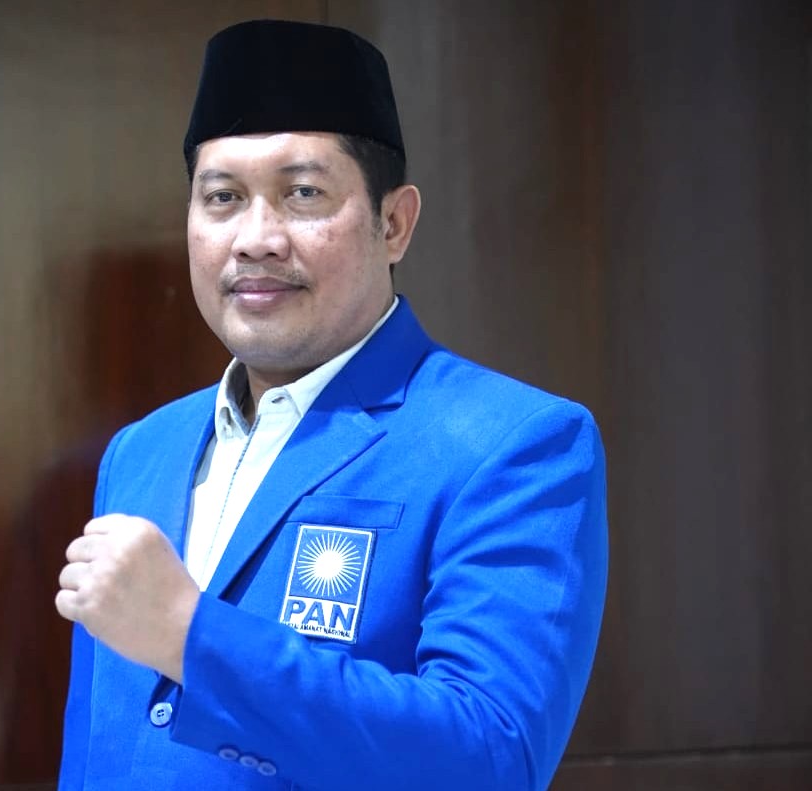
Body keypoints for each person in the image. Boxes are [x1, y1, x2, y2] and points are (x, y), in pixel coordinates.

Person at [55, 18, 607, 791]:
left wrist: (192, 636)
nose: (255, 238)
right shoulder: (141, 450)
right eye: (222, 197)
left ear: (394, 223)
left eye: (303, 194)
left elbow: (490, 758)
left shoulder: (513, 443)